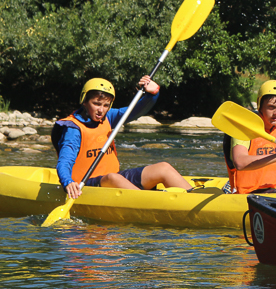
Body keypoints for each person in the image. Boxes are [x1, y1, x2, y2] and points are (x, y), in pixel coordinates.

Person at [52, 77, 194, 199]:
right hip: (83, 184)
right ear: (84, 101)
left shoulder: (107, 117)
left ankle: (195, 199)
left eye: (106, 105)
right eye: (96, 104)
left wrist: (152, 94)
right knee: (113, 178)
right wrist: (67, 182)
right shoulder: (73, 129)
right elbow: (64, 162)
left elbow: (134, 111)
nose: (101, 110)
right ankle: (151, 204)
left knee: (163, 168)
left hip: (113, 178)